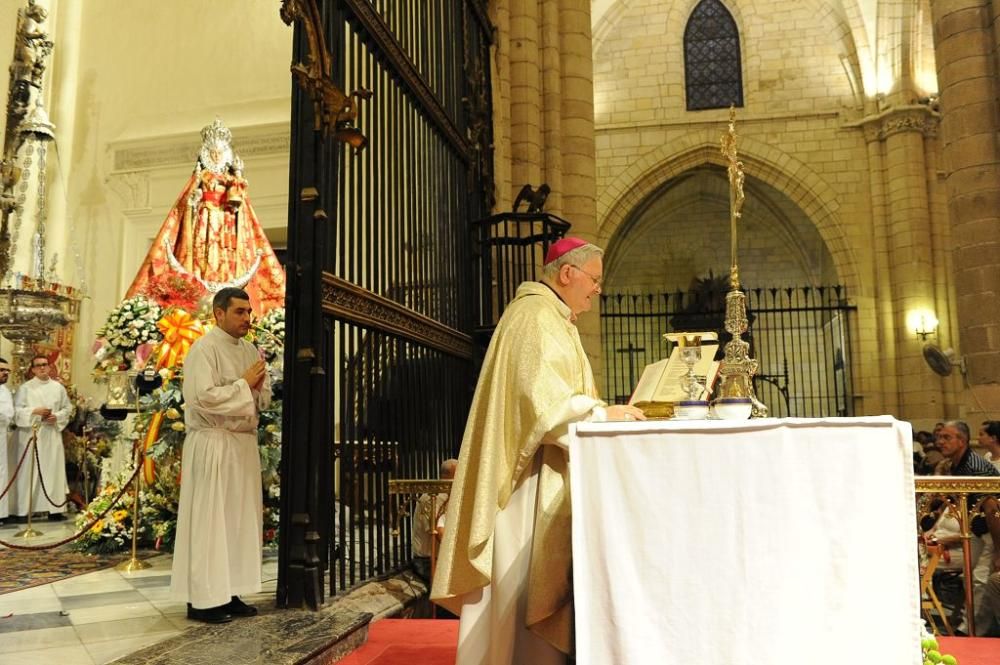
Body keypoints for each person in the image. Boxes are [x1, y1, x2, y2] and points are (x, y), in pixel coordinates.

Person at [431, 237, 646, 665]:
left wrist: (603, 412)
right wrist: (603, 416)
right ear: (568, 273)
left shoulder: (553, 318)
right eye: (594, 280)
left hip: (541, 472)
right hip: (524, 487)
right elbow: (542, 403)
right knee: (518, 598)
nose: (597, 290)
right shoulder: (533, 316)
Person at [170, 287, 271, 624]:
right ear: (219, 313)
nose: (247, 318)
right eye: (240, 312)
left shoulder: (249, 349)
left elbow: (263, 399)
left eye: (248, 311)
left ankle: (230, 590)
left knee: (237, 519)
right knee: (210, 519)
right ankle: (202, 599)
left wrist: (255, 388)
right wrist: (244, 385)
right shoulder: (204, 349)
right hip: (213, 441)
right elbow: (202, 398)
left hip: (241, 444)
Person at [125, 118, 286, 314]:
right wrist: (194, 201)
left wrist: (237, 180)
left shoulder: (230, 179)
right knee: (201, 255)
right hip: (203, 225)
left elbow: (239, 203)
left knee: (225, 255)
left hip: (226, 226)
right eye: (213, 153)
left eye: (219, 153)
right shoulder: (200, 178)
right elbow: (187, 204)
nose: (216, 157)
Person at [11, 354, 72, 521]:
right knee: (29, 472)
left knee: (53, 471)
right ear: (33, 370)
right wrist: (34, 411)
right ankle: (24, 510)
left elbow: (67, 409)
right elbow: (16, 412)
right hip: (31, 435)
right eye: (38, 365)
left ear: (50, 367)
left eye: (45, 364)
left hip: (51, 434)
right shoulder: (26, 388)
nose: (42, 368)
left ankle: (55, 510)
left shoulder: (58, 388)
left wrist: (57, 417)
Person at [412, 458, 458, 581]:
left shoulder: (448, 495)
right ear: (449, 475)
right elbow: (437, 532)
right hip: (427, 561)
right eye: (459, 474)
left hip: (441, 557)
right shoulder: (432, 496)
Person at [0, 358, 13, 525]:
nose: (5, 373)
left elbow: (9, 415)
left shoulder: (5, 392)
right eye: (2, 370)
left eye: (7, 371)